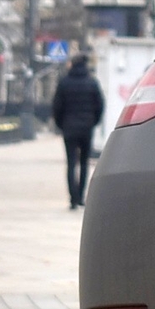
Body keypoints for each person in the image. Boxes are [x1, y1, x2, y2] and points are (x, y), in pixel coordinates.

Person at [51, 54, 105, 208]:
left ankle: (72, 199)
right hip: (86, 128)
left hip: (69, 128)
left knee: (70, 163)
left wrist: (61, 124)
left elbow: (56, 107)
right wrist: (93, 122)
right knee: (84, 163)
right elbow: (100, 105)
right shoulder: (92, 82)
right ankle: (81, 196)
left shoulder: (64, 83)